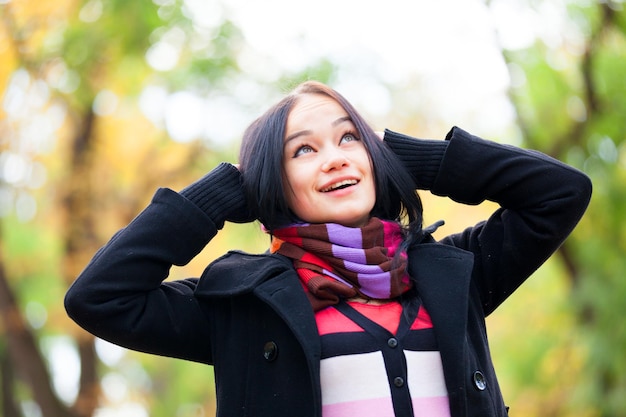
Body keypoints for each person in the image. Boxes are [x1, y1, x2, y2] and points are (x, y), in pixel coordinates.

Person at [64, 81, 592, 417]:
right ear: (274, 181)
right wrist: (221, 193)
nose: (335, 159)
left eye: (349, 139)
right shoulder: (246, 305)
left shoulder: (454, 275)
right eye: (304, 150)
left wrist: (415, 160)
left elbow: (560, 193)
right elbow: (101, 296)